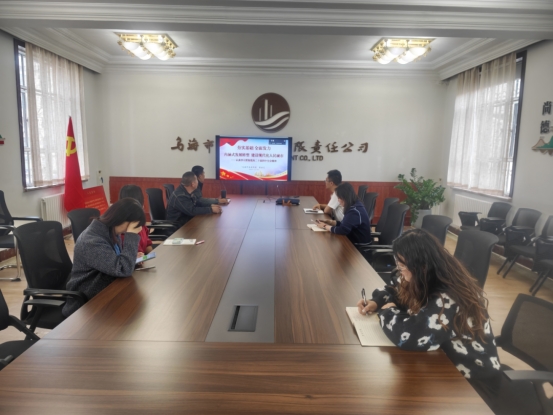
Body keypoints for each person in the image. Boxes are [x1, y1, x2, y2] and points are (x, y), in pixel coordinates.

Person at [357, 229, 500, 380]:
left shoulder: (449, 297)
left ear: (421, 266)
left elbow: (409, 337)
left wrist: (387, 312)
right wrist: (377, 301)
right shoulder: (426, 276)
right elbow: (396, 290)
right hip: (441, 361)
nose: (400, 271)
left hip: (472, 378)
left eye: (402, 266)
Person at [62, 198, 146, 317]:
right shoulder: (92, 241)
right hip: (86, 304)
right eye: (132, 226)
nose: (129, 230)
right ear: (121, 219)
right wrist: (131, 236)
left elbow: (115, 262)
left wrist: (131, 257)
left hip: (106, 291)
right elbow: (122, 269)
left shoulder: (110, 231)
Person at [119, 184, 153, 256]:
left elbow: (147, 243)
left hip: (143, 258)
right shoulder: (123, 229)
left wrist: (153, 254)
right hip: (135, 261)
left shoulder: (139, 221)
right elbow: (136, 255)